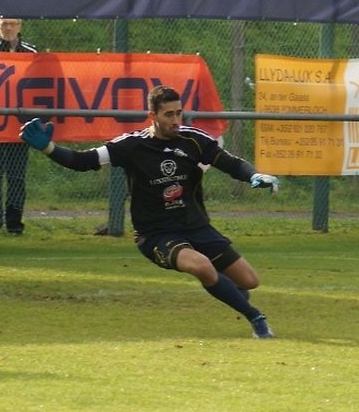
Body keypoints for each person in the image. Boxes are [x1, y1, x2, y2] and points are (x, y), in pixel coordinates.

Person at [18, 85, 281, 339]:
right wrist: (48, 147)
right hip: (157, 234)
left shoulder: (194, 140)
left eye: (179, 113)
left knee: (249, 280)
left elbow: (231, 164)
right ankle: (256, 318)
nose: (176, 120)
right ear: (152, 116)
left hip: (196, 226)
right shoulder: (131, 145)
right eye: (169, 115)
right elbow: (82, 161)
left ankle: (229, 292)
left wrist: (254, 175)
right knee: (202, 266)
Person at [0, 17, 39, 234]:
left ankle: (14, 225)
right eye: (4, 24)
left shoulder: (32, 53)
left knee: (16, 177)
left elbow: (40, 84)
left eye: (13, 24)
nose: (9, 28)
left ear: (20, 26)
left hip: (19, 125)